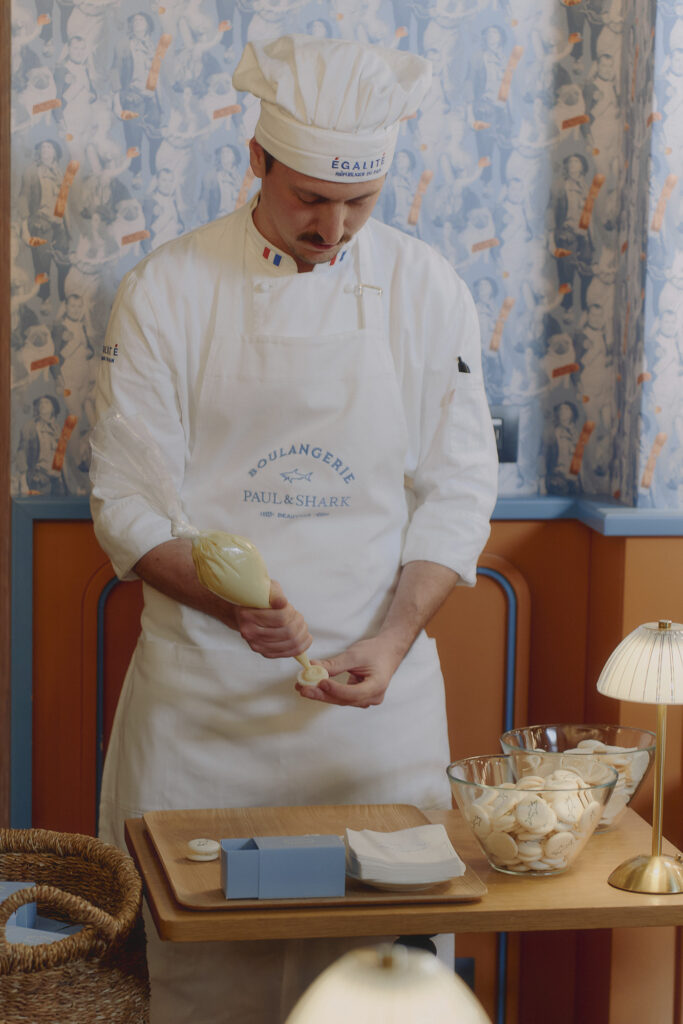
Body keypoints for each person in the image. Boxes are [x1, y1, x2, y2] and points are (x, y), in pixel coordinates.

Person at [89, 33, 498, 1024]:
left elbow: (454, 489)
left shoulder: (425, 288)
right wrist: (233, 608)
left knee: (377, 977)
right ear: (257, 161)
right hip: (203, 711)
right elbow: (128, 504)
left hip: (374, 718)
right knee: (196, 979)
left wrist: (391, 638)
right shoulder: (169, 290)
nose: (333, 225)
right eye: (310, 197)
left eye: (359, 201)